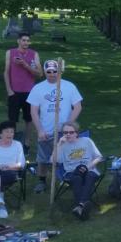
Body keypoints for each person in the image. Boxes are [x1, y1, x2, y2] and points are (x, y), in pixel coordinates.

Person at [27, 59, 83, 193]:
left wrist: (68, 126)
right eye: (49, 72)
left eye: (55, 71)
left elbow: (77, 107)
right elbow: (33, 111)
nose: (52, 74)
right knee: (43, 158)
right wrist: (40, 130)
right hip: (46, 129)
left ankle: (68, 178)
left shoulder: (69, 86)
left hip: (65, 131)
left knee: (68, 155)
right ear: (45, 72)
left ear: (59, 71)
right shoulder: (38, 88)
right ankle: (41, 181)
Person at [52, 121, 103, 220]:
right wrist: (58, 145)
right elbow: (54, 161)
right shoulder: (62, 145)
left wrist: (88, 167)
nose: (68, 134)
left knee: (88, 175)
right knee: (76, 178)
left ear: (76, 133)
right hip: (71, 173)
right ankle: (82, 205)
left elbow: (98, 157)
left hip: (89, 169)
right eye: (65, 132)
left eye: (71, 132)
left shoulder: (86, 141)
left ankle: (79, 206)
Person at [4, 33, 42, 148]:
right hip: (14, 91)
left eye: (28, 41)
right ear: (18, 41)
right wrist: (9, 90)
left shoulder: (34, 54)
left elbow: (40, 74)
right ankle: (12, 142)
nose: (26, 43)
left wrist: (25, 65)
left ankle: (27, 142)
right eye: (24, 40)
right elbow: (6, 72)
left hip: (29, 92)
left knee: (29, 119)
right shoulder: (10, 53)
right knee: (12, 119)